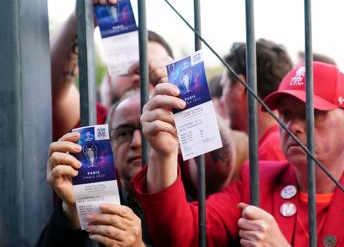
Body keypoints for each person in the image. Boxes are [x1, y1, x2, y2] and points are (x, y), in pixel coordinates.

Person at [132, 62, 344, 246]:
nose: (293, 126)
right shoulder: (257, 180)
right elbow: (179, 236)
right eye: (285, 114)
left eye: (311, 113)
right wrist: (164, 154)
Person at [37, 90, 236, 246]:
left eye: (149, 130)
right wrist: (71, 211)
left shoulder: (194, 205)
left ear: (176, 138)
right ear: (109, 146)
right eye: (124, 133)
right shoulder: (94, 204)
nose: (137, 142)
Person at [50, 0, 173, 140]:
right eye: (128, 67)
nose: (139, 77)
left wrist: (184, 95)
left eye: (153, 69)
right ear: (108, 79)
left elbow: (214, 146)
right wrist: (79, 19)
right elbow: (52, 90)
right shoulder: (93, 119)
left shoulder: (186, 129)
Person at [220, 39, 293, 161]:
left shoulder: (271, 150)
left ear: (240, 86)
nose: (222, 100)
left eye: (224, 87)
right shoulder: (276, 143)